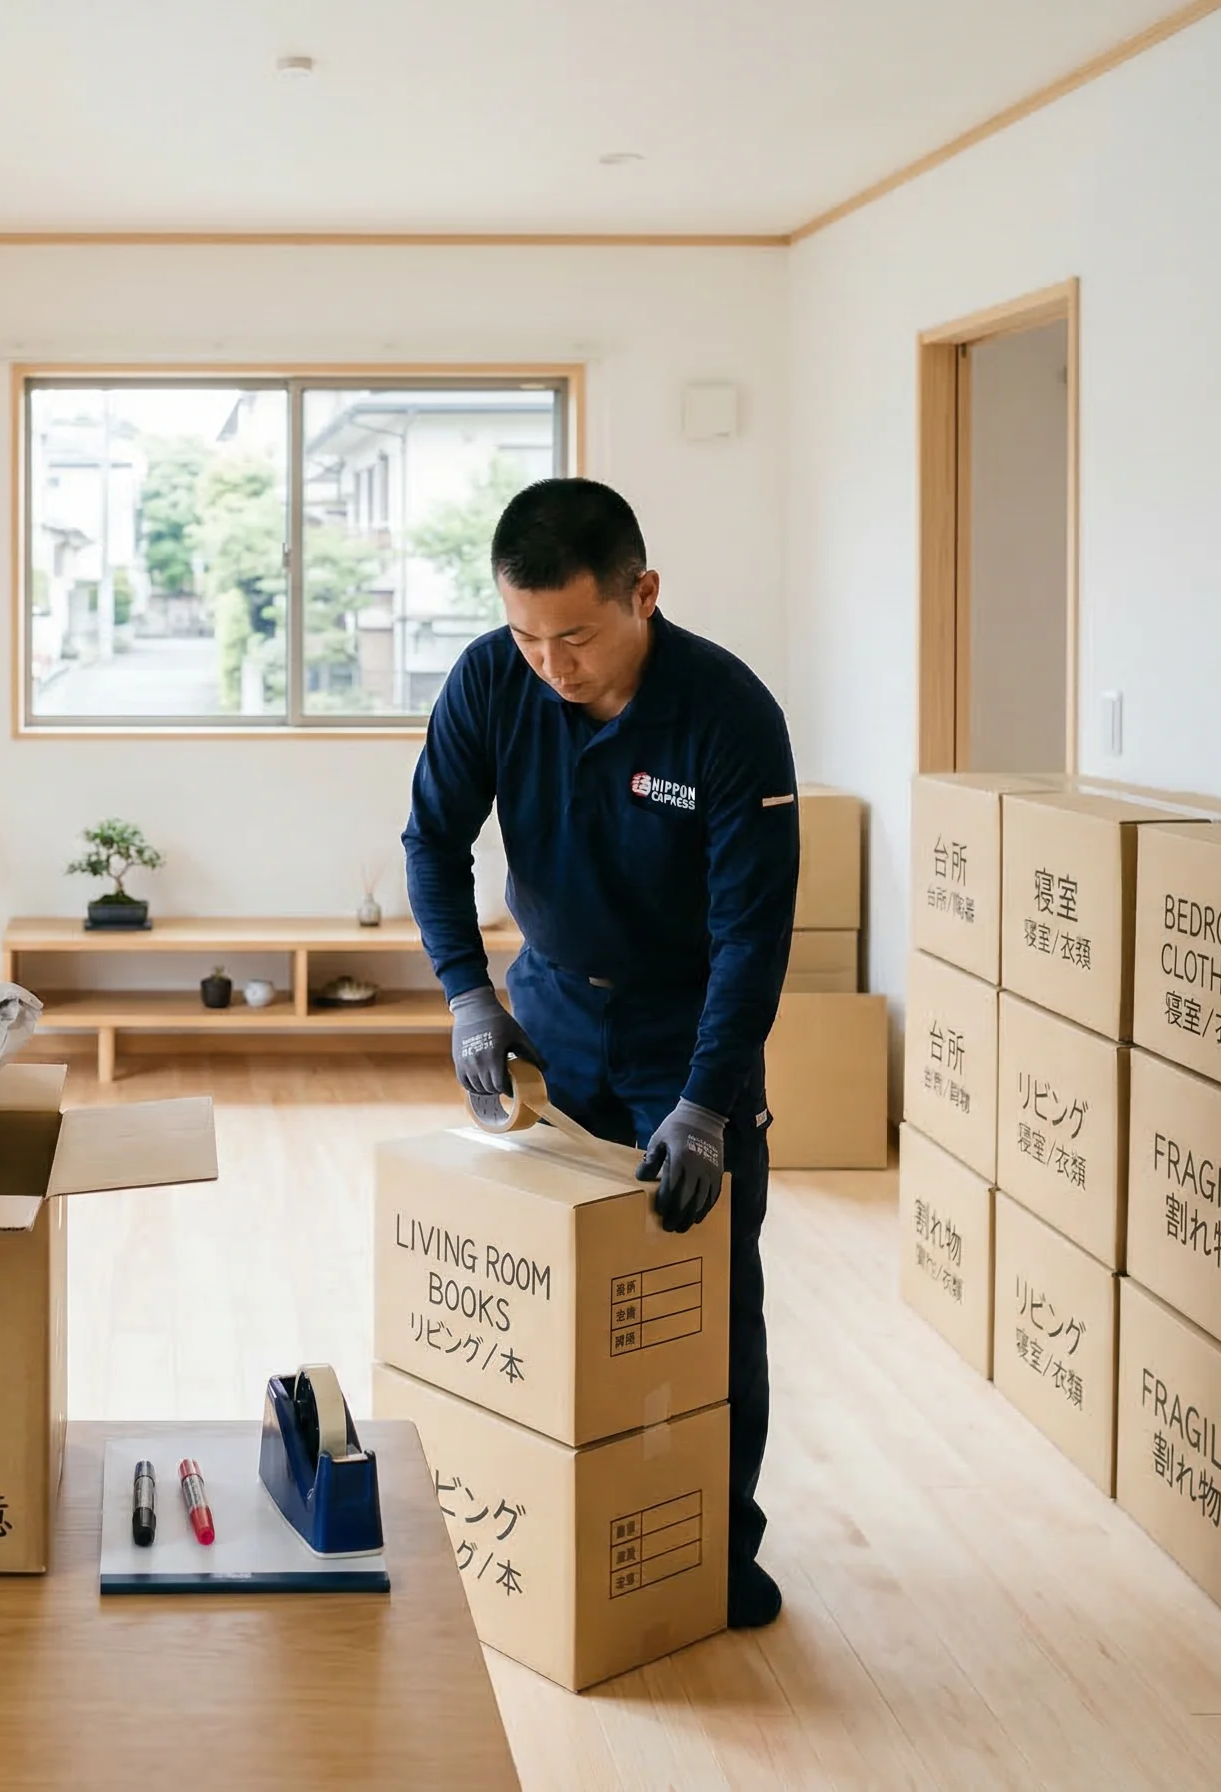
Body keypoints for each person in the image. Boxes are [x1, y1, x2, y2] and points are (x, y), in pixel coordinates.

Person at [402, 477, 799, 1629]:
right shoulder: (492, 677)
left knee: (707, 1296)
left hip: (688, 1027)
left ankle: (714, 1545)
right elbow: (432, 840)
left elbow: (752, 933)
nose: (551, 664)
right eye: (527, 635)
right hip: (553, 1018)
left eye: (574, 635)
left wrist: (709, 1103)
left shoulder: (726, 712)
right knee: (545, 1283)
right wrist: (469, 998)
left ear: (644, 594)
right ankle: (541, 1518)